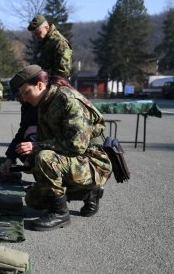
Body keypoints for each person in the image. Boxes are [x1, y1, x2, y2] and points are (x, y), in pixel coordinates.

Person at [10, 65, 112, 231]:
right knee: (33, 200)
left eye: (26, 92)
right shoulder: (44, 103)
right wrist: (30, 162)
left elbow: (76, 145)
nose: (24, 98)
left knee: (44, 158)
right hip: (72, 160)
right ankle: (87, 193)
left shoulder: (68, 100)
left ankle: (60, 213)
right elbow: (46, 139)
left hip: (92, 162)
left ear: (40, 86)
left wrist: (35, 148)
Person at [28, 14, 73, 80]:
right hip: (40, 85)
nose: (36, 36)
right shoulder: (42, 42)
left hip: (53, 85)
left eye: (38, 33)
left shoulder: (60, 42)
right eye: (34, 34)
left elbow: (62, 72)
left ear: (46, 28)